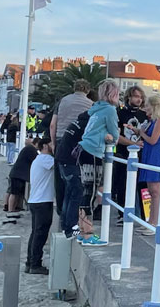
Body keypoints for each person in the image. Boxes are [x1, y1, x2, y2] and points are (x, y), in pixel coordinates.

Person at [77, 79, 120, 246]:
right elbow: (115, 135)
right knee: (91, 193)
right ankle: (88, 234)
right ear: (112, 94)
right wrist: (110, 137)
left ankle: (82, 231)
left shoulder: (95, 109)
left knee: (86, 191)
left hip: (83, 150)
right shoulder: (110, 110)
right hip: (94, 151)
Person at [50, 79, 93, 218]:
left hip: (61, 139)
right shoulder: (90, 104)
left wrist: (53, 143)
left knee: (60, 179)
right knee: (77, 179)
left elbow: (52, 124)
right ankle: (76, 212)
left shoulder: (63, 101)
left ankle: (61, 210)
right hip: (80, 142)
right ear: (87, 90)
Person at [128, 95, 160, 235]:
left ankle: (154, 222)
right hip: (149, 153)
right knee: (151, 191)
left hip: (155, 154)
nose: (145, 109)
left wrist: (141, 132)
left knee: (155, 190)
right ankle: (150, 221)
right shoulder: (154, 121)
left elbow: (152, 140)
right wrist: (139, 131)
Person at [113, 86, 147, 226]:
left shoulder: (144, 115)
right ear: (129, 97)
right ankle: (123, 213)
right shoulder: (120, 113)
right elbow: (117, 136)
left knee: (142, 185)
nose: (138, 99)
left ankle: (145, 215)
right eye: (136, 96)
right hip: (123, 153)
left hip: (141, 155)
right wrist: (132, 144)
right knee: (123, 185)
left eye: (140, 97)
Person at [25, 137, 54, 275]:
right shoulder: (45, 159)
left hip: (36, 201)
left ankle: (30, 263)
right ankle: (35, 264)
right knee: (40, 234)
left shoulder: (38, 160)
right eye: (52, 143)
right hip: (43, 202)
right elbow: (60, 165)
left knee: (35, 233)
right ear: (45, 146)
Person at [6, 137, 40, 216]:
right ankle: (11, 210)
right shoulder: (31, 149)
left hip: (18, 174)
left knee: (16, 193)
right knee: (14, 193)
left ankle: (13, 208)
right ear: (36, 143)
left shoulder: (28, 148)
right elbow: (37, 159)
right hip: (18, 175)